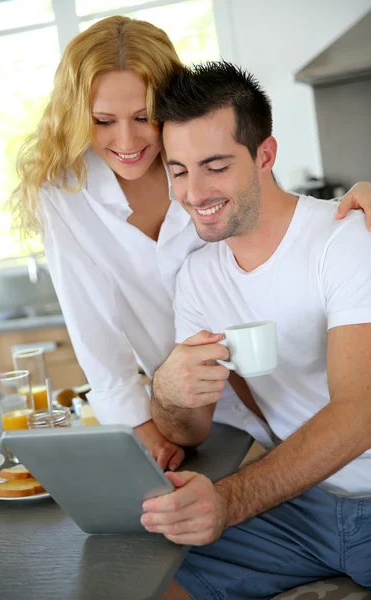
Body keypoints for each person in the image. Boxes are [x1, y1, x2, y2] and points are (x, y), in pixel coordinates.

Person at [14, 15, 371, 472]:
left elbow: (275, 226)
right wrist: (139, 427)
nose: (126, 141)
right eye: (103, 121)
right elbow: (92, 327)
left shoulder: (202, 156)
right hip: (183, 415)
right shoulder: (65, 194)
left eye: (144, 117)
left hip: (282, 396)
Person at [143, 62, 371, 599]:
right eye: (178, 170)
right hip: (301, 510)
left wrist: (231, 500)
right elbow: (187, 432)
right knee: (148, 577)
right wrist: (169, 393)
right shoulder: (197, 278)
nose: (194, 192)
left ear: (264, 156)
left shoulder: (345, 240)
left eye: (215, 166)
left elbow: (359, 413)